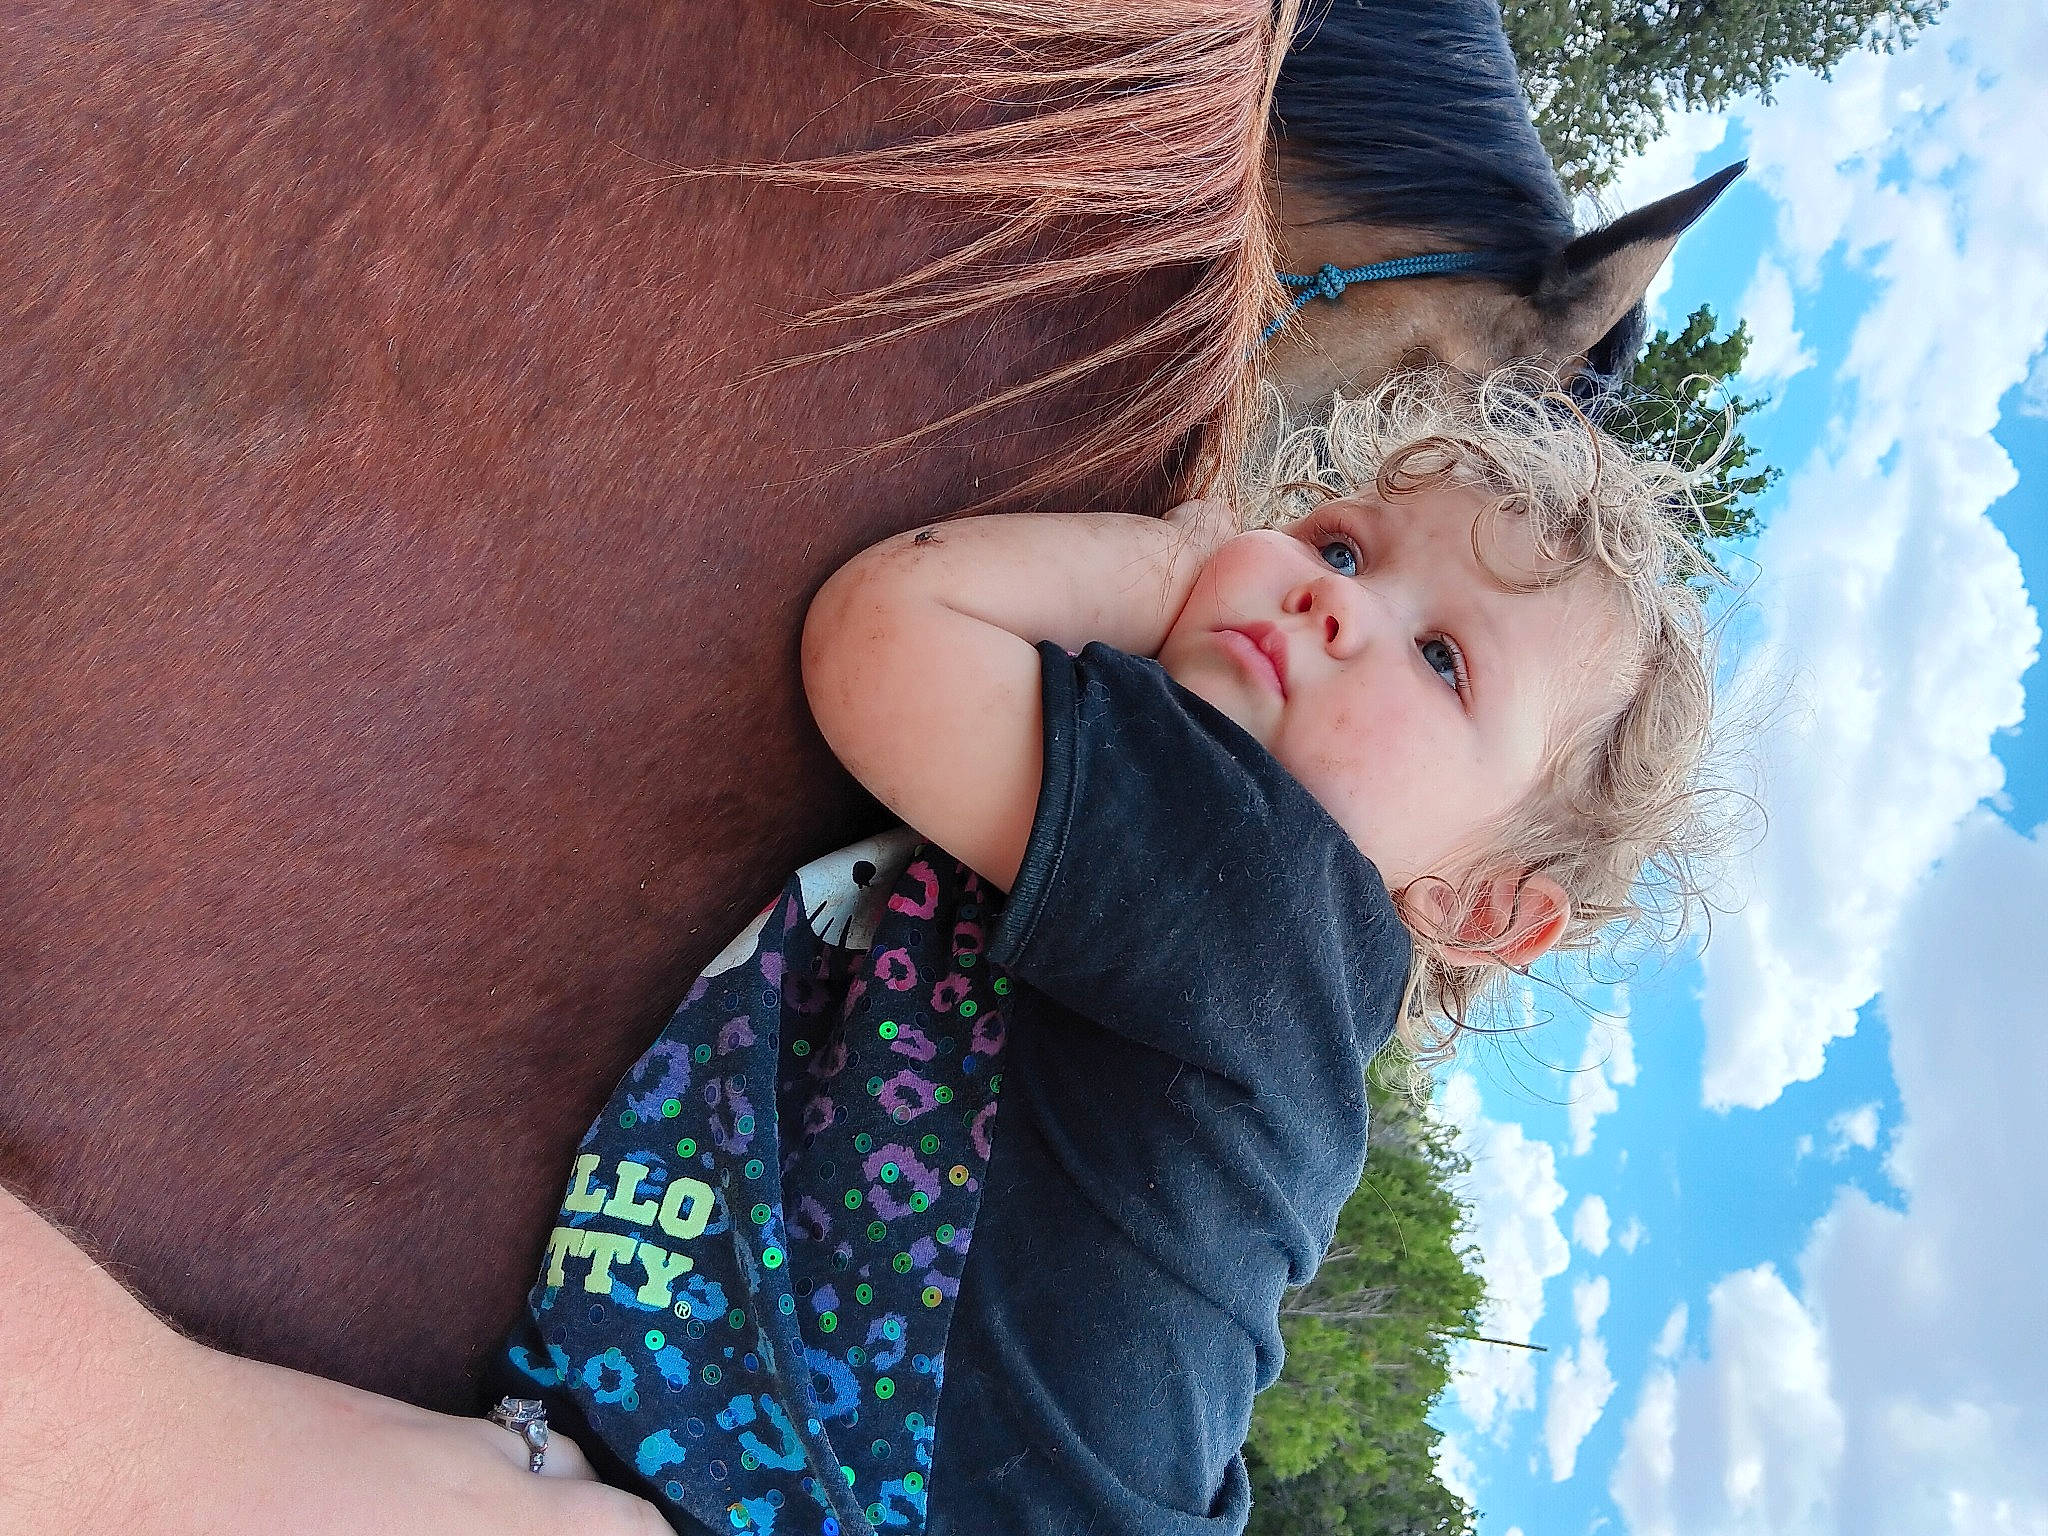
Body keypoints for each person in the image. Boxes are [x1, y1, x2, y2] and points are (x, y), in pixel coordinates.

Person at [483, 366, 1723, 1536]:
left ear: (1478, 911)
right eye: (1337, 546)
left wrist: (1172, 561)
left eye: (1442, 658)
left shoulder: (1263, 894)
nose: (1336, 599)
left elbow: (883, 634)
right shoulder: (1270, 1009)